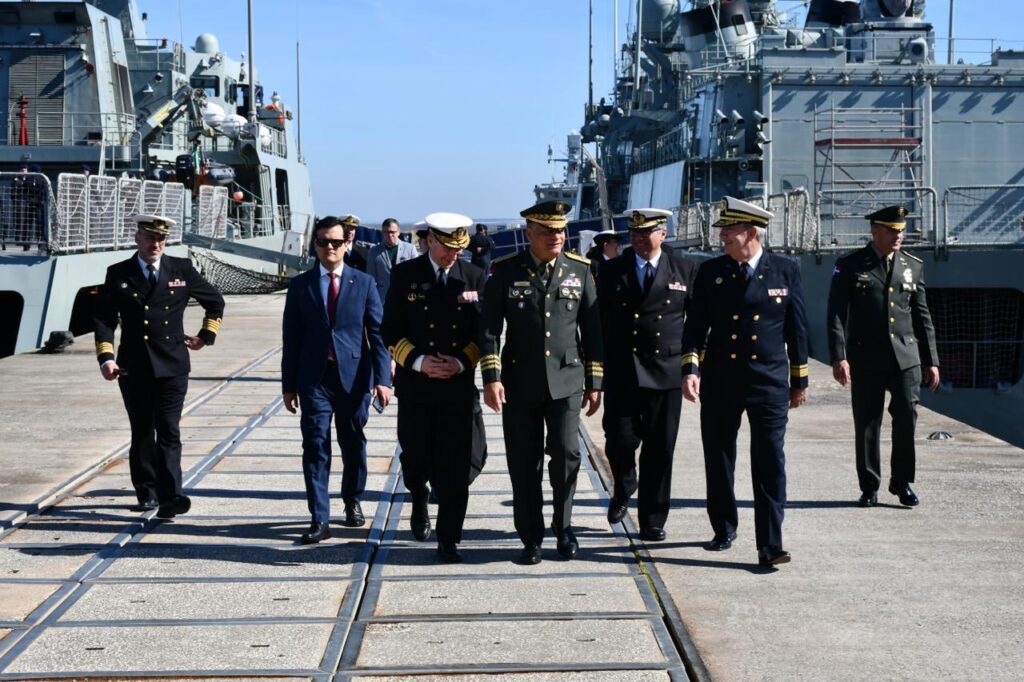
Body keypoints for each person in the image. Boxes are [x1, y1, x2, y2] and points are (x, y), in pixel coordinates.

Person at [681, 196, 808, 568]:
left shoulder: (785, 270)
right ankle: (723, 527)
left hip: (768, 382)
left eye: (729, 230)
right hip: (722, 380)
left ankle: (770, 543)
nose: (722, 236)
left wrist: (799, 380)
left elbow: (797, 328)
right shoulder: (711, 272)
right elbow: (695, 327)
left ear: (751, 232)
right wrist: (691, 370)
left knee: (770, 461)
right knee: (720, 457)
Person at [480, 200, 603, 565]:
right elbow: (489, 330)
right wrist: (491, 378)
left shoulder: (579, 270)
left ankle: (563, 528)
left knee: (566, 454)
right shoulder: (505, 270)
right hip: (520, 382)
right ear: (530, 232)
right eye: (548, 231)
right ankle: (530, 537)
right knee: (524, 461)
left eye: (561, 230)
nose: (557, 237)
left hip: (567, 380)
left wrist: (595, 381)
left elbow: (592, 330)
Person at [94, 214, 224, 518]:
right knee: (142, 431)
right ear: (137, 238)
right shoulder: (118, 273)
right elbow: (104, 319)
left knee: (169, 430)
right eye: (150, 237)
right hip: (133, 366)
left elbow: (215, 301)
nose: (156, 244)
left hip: (173, 364)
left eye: (161, 238)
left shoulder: (181, 269)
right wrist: (106, 358)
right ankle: (147, 492)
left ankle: (171, 495)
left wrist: (206, 336)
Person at [382, 212, 487, 563]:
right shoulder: (405, 275)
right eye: (447, 248)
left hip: (457, 386)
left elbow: (484, 333)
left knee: (458, 465)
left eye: (458, 249)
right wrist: (418, 362)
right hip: (417, 386)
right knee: (415, 459)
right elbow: (390, 328)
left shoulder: (473, 276)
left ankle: (449, 539)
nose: (453, 255)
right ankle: (418, 495)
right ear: (430, 241)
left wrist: (461, 362)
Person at [282, 215, 392, 544]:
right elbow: (292, 337)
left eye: (335, 242)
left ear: (346, 243)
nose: (329, 247)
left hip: (354, 378)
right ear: (314, 245)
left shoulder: (364, 283)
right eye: (322, 242)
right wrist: (288, 385)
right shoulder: (300, 285)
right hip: (314, 378)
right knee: (315, 445)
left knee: (353, 443)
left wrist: (383, 379)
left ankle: (352, 499)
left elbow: (377, 335)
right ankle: (319, 517)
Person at [826, 205, 940, 508]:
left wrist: (931, 361)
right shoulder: (850, 265)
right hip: (866, 354)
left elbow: (922, 315)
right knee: (867, 421)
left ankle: (901, 482)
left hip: (906, 355)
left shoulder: (912, 265)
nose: (898, 236)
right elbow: (836, 313)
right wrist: (839, 356)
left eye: (901, 231)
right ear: (875, 231)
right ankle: (869, 486)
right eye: (892, 231)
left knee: (906, 415)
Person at [598, 209, 696, 541]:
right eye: (634, 234)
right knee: (619, 440)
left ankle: (653, 519)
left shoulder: (683, 269)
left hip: (666, 371)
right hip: (623, 369)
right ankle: (624, 484)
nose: (639, 239)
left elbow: (695, 323)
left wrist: (692, 366)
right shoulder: (611, 270)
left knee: (660, 448)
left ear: (663, 234)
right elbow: (598, 321)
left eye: (647, 233)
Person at [367, 218, 418, 300]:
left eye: (392, 232)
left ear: (398, 232)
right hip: (382, 299)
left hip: (405, 298)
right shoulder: (374, 251)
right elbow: (371, 278)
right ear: (382, 233)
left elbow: (417, 274)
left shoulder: (410, 249)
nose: (390, 235)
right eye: (387, 232)